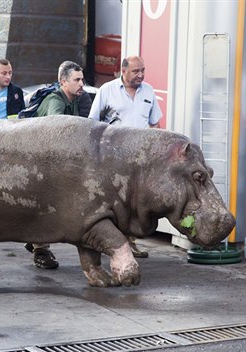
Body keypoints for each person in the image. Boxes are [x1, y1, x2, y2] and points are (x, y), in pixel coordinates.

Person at [88, 55, 163, 258]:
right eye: (136, 71)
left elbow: (155, 124)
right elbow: (93, 123)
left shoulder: (148, 91)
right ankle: (111, 242)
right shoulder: (107, 91)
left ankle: (130, 242)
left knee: (134, 202)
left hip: (140, 159)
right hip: (112, 157)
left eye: (143, 70)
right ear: (123, 71)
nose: (140, 75)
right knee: (113, 201)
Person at [24, 61, 86, 270]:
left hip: (54, 163)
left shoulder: (74, 99)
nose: (81, 84)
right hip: (41, 164)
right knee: (45, 207)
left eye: (82, 79)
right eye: (76, 80)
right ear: (63, 82)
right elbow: (57, 127)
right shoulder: (55, 100)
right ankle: (40, 249)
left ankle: (35, 240)